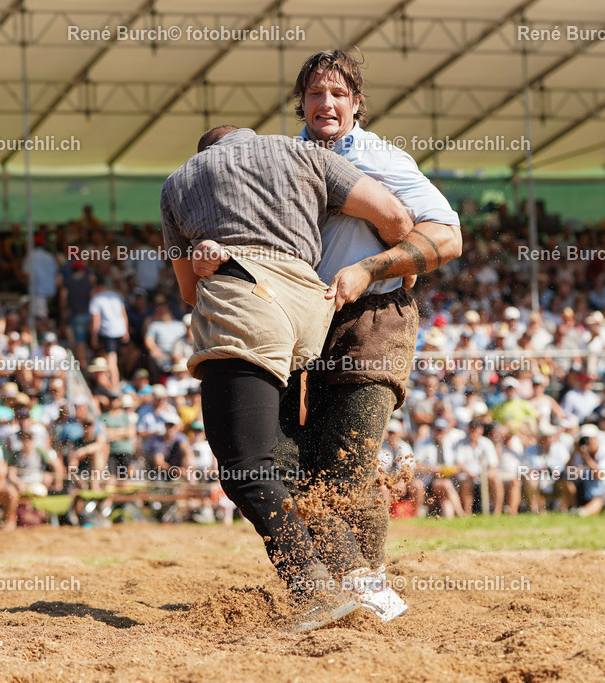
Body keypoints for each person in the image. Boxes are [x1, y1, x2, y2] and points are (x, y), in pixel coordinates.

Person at [194, 49, 462, 621]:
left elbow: (446, 237)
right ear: (301, 103)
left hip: (370, 318)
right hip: (285, 317)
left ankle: (368, 585)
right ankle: (328, 584)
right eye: (316, 94)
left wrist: (371, 267)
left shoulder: (380, 159)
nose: (327, 104)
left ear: (358, 103)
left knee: (345, 462)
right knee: (284, 462)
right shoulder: (278, 159)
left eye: (339, 94)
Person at [161, 123, 413, 631]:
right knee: (288, 463)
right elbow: (395, 215)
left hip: (245, 299)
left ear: (207, 153)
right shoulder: (303, 155)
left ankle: (313, 591)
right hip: (310, 306)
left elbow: (189, 291)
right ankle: (362, 584)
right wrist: (396, 268)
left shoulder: (182, 179)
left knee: (245, 467)